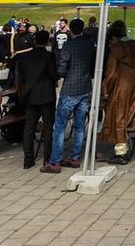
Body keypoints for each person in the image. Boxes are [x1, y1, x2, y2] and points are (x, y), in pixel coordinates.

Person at [45, 19, 95, 173]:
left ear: (70, 30)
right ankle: (74, 157)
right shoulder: (89, 45)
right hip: (85, 87)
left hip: (70, 88)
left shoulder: (69, 45)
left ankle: (55, 160)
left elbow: (62, 68)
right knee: (80, 125)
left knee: (59, 126)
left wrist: (58, 74)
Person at [100, 21, 135, 164]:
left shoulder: (116, 49)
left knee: (118, 116)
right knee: (128, 113)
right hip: (133, 83)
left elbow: (111, 72)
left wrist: (105, 89)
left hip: (120, 84)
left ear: (113, 37)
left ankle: (121, 151)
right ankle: (125, 143)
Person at [15, 30, 58, 170]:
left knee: (29, 128)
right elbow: (53, 74)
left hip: (30, 95)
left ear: (35, 40)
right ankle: (47, 158)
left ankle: (28, 159)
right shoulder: (49, 56)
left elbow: (19, 76)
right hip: (46, 95)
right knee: (48, 128)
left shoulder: (24, 57)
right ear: (47, 41)